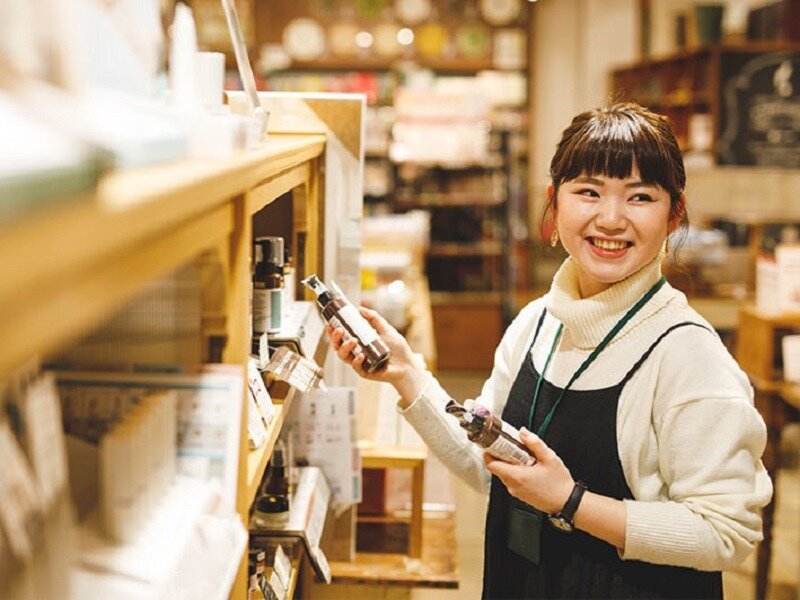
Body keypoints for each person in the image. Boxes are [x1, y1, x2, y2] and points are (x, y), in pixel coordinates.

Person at [327, 102, 772, 599]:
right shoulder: (537, 323)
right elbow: (489, 464)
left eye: (640, 196)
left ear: (674, 216)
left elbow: (726, 533)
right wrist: (407, 374)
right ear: (553, 205)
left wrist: (569, 501)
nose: (610, 218)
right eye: (588, 192)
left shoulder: (689, 354)